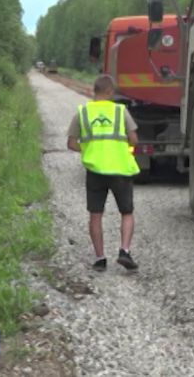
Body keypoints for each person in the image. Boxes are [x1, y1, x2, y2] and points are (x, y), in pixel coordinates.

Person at [67, 75, 140, 271]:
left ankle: (100, 259)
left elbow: (71, 143)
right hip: (120, 169)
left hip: (95, 171)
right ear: (110, 92)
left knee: (95, 214)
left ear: (94, 90)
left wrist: (91, 150)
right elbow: (133, 140)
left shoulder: (82, 112)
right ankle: (124, 251)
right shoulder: (120, 111)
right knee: (126, 212)